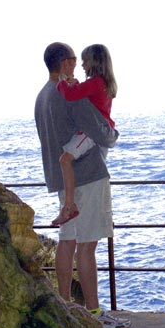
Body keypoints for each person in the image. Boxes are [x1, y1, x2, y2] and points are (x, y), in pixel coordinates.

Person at [34, 42, 131, 328]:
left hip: (65, 181)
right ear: (64, 63)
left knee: (67, 242)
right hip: (88, 175)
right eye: (74, 62)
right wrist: (113, 135)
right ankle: (94, 313)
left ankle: (65, 307)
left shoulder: (41, 96)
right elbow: (100, 131)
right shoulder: (70, 95)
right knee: (87, 247)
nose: (77, 67)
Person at [52, 44, 118, 227]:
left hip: (91, 132)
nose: (82, 65)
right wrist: (74, 84)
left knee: (65, 160)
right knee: (66, 160)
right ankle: (69, 205)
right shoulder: (102, 82)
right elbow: (85, 94)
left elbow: (71, 96)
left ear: (94, 62)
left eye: (85, 61)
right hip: (97, 130)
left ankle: (69, 205)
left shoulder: (96, 82)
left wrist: (62, 82)